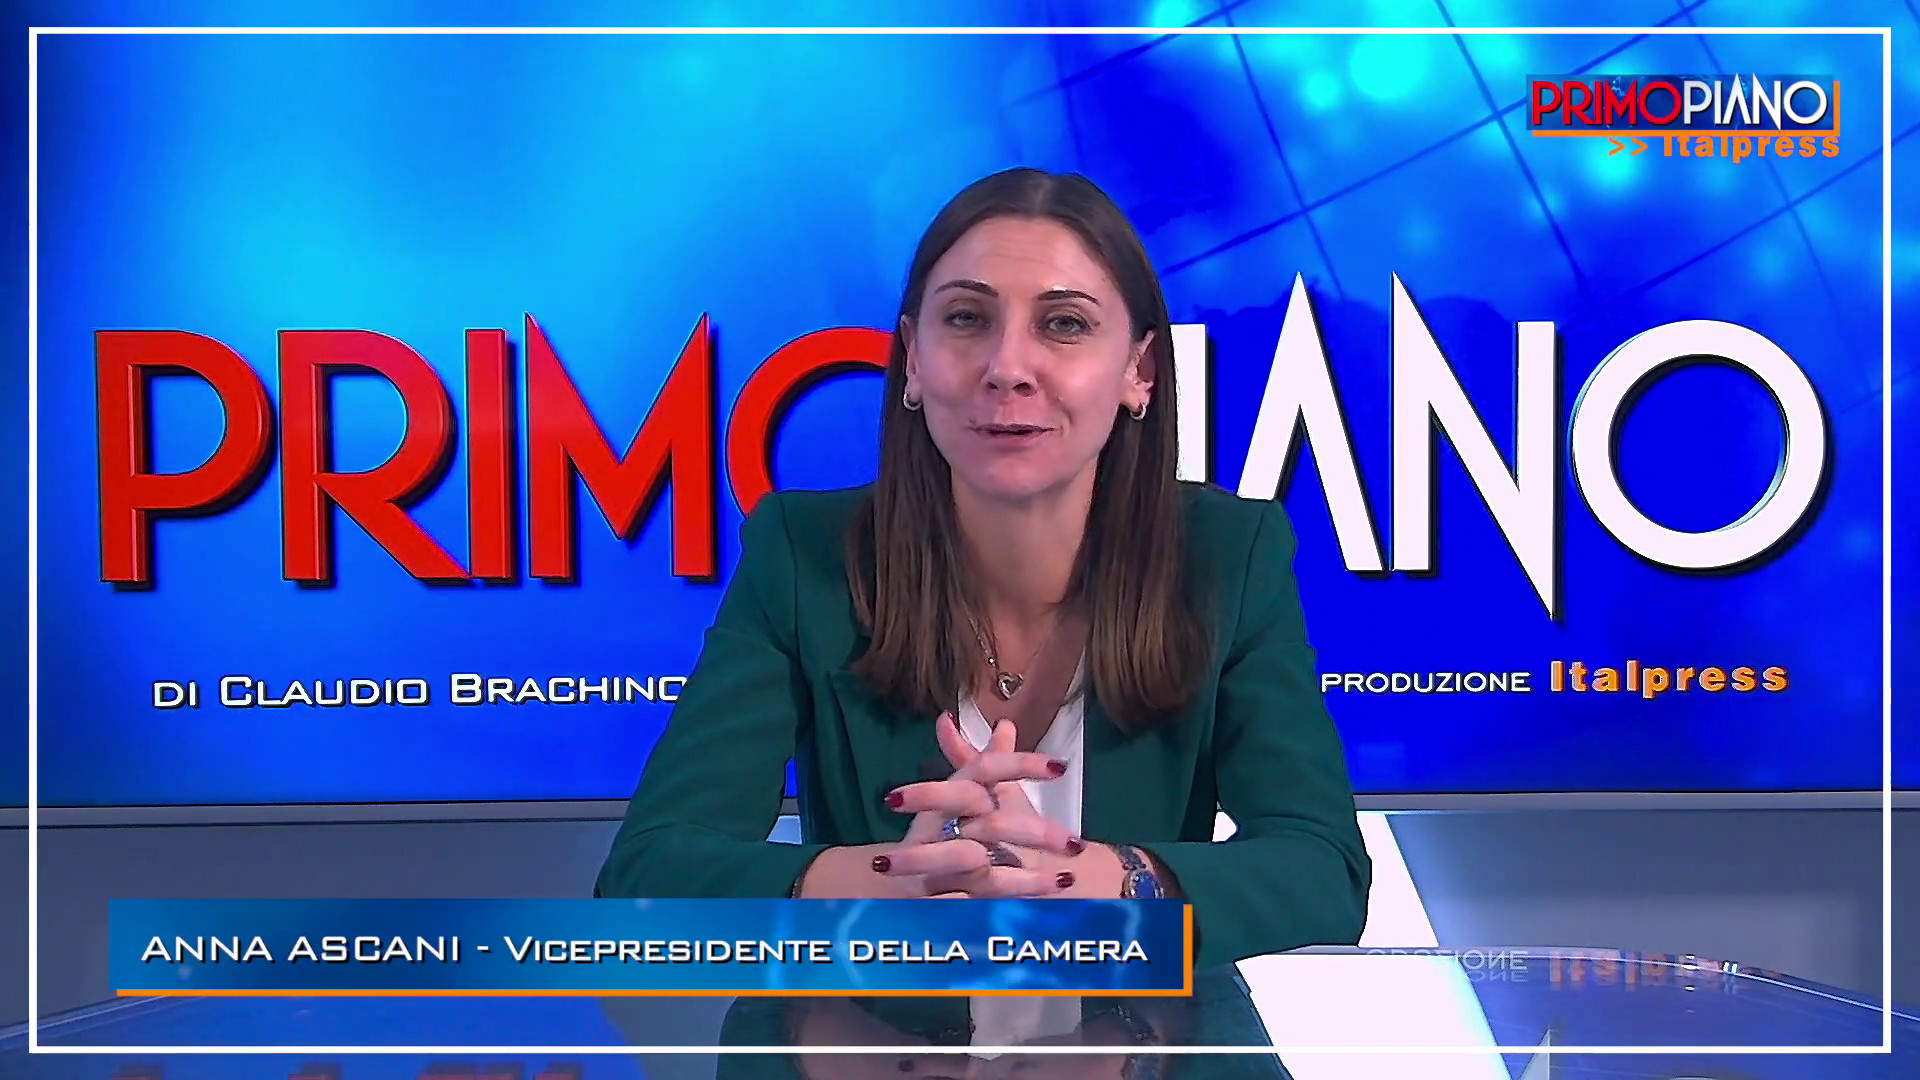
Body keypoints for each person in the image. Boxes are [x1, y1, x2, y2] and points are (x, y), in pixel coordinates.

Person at [595, 166, 1370, 972]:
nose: (1007, 367)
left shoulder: (1229, 555)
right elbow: (646, 876)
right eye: (966, 319)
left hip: (1147, 1033)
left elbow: (1324, 872)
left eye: (1064, 325)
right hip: (871, 1031)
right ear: (912, 361)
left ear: (1139, 371)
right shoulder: (804, 555)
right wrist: (875, 886)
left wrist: (1109, 883)